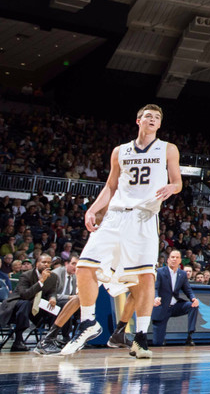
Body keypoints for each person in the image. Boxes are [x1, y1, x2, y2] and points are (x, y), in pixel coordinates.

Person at [63, 104, 182, 358]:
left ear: (160, 124)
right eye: (148, 116)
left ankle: (140, 337)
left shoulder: (168, 149)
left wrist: (172, 188)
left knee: (145, 277)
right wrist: (92, 209)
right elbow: (110, 185)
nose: (152, 119)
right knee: (84, 266)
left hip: (144, 216)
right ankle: (88, 322)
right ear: (138, 120)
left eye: (157, 117)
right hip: (115, 215)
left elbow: (178, 182)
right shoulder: (120, 151)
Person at [0, 254, 58, 351]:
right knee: (25, 304)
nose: (46, 264)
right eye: (44, 262)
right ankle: (18, 340)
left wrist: (52, 298)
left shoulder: (53, 277)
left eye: (48, 262)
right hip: (17, 303)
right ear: (37, 264)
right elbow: (25, 295)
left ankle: (51, 340)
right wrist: (41, 281)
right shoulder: (26, 275)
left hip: (36, 304)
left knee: (57, 308)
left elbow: (52, 291)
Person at [152, 249, 199, 346]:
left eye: (177, 257)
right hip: (162, 307)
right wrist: (156, 297)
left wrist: (193, 298)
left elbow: (188, 289)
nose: (174, 259)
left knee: (193, 306)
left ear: (180, 260)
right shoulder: (160, 272)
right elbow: (155, 288)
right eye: (172, 257)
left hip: (175, 306)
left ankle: (190, 335)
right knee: (158, 343)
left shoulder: (182, 274)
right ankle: (161, 339)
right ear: (168, 260)